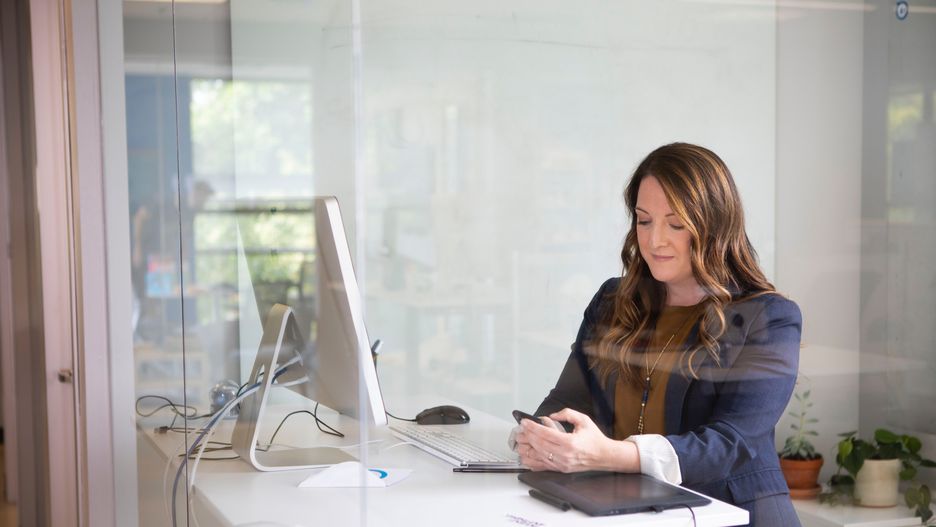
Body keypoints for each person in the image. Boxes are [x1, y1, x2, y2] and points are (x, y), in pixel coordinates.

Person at [513, 142, 802, 526]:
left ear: (715, 225)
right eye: (644, 221)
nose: (654, 240)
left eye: (676, 224)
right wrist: (543, 438)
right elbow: (568, 400)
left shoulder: (769, 318)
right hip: (631, 512)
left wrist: (608, 454)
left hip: (733, 517)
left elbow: (730, 444)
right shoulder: (613, 301)